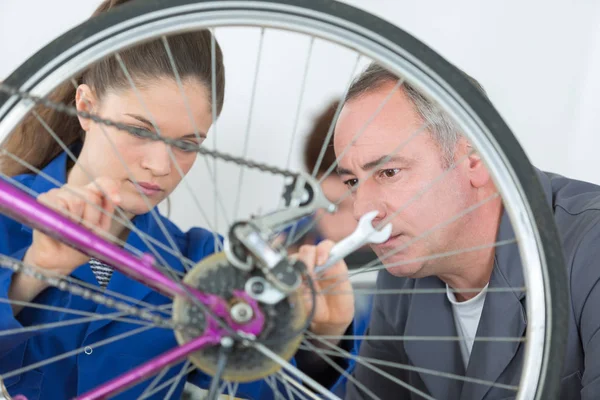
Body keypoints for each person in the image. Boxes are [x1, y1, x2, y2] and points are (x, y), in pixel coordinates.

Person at [0, 0, 351, 399]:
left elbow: (261, 389)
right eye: (140, 131)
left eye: (187, 144)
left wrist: (324, 338)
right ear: (86, 107)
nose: (160, 165)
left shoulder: (202, 263)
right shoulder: (4, 212)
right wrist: (30, 277)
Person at [315, 62, 600, 399]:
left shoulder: (591, 248)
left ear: (475, 158)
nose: (361, 209)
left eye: (389, 172)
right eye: (352, 181)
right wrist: (323, 340)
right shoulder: (402, 274)